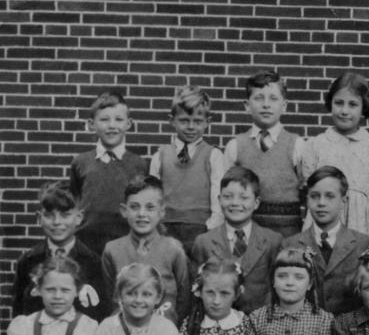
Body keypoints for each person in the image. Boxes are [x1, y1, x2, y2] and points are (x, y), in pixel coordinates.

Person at [298, 72, 369, 237]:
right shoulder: (315, 145)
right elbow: (309, 193)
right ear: (330, 103)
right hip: (323, 218)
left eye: (352, 104)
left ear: (363, 107)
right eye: (339, 103)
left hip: (362, 223)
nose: (344, 111)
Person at [191, 166, 283, 314]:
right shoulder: (204, 242)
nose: (235, 203)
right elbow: (197, 290)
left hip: (261, 323)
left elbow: (275, 289)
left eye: (244, 197)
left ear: (256, 202)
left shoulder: (273, 241)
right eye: (228, 196)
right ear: (219, 200)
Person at [100, 175, 190, 326]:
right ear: (124, 210)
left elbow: (184, 296)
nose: (142, 214)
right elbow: (110, 295)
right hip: (123, 333)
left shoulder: (173, 249)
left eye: (150, 207)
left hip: (163, 332)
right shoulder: (112, 250)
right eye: (134, 207)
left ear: (161, 212)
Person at [224, 70, 305, 237]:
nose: (266, 104)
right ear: (247, 105)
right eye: (259, 98)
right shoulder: (235, 146)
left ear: (284, 105)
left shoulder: (297, 145)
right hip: (248, 231)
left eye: (273, 98)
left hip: (288, 232)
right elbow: (226, 192)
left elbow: (308, 192)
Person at [12, 180, 107, 323]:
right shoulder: (28, 261)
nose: (57, 222)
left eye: (65, 214)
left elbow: (100, 315)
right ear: (39, 218)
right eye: (49, 214)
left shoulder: (94, 262)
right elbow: (19, 314)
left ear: (79, 218)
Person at [282, 166, 369, 315]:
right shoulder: (291, 244)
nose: (321, 203)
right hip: (305, 331)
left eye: (330, 196)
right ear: (307, 199)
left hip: (348, 332)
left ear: (344, 201)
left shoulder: (362, 244)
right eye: (315, 196)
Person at [148, 85, 227, 253]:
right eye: (184, 120)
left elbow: (218, 199)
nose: (191, 127)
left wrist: (209, 229)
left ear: (208, 122)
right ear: (172, 120)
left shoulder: (213, 155)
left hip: (200, 229)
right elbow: (153, 197)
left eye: (197, 121)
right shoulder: (160, 156)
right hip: (165, 230)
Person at [68, 91, 148, 255]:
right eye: (104, 119)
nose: (112, 125)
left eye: (118, 119)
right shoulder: (81, 163)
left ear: (128, 123)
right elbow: (75, 203)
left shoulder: (139, 165)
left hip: (125, 245)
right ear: (92, 124)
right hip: (86, 243)